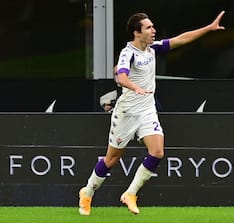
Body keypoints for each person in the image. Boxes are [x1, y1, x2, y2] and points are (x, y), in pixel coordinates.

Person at [79, 11, 225, 216]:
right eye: (148, 27)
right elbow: (121, 77)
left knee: (157, 152)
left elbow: (180, 39)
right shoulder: (127, 52)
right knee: (112, 159)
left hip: (147, 110)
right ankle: (87, 191)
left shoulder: (152, 49)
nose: (153, 30)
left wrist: (208, 28)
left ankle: (130, 193)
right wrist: (134, 87)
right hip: (127, 112)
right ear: (137, 33)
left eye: (153, 26)